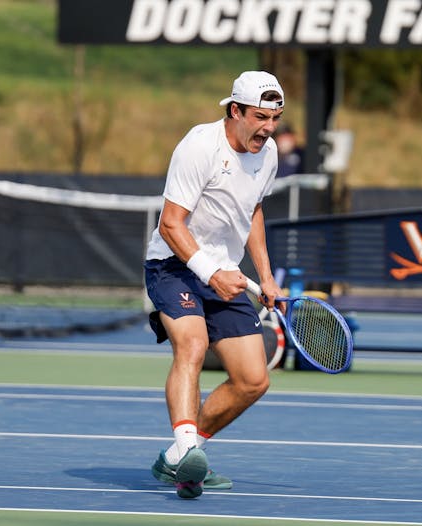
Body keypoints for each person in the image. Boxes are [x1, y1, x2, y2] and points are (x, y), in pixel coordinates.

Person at [143, 71, 285, 499]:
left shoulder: (269, 153)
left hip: (227, 272)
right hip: (174, 264)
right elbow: (170, 224)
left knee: (253, 379)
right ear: (235, 111)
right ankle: (186, 447)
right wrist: (210, 273)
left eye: (276, 118)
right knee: (193, 344)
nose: (269, 128)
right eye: (261, 117)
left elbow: (253, 211)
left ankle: (180, 459)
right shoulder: (199, 146)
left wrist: (264, 274)